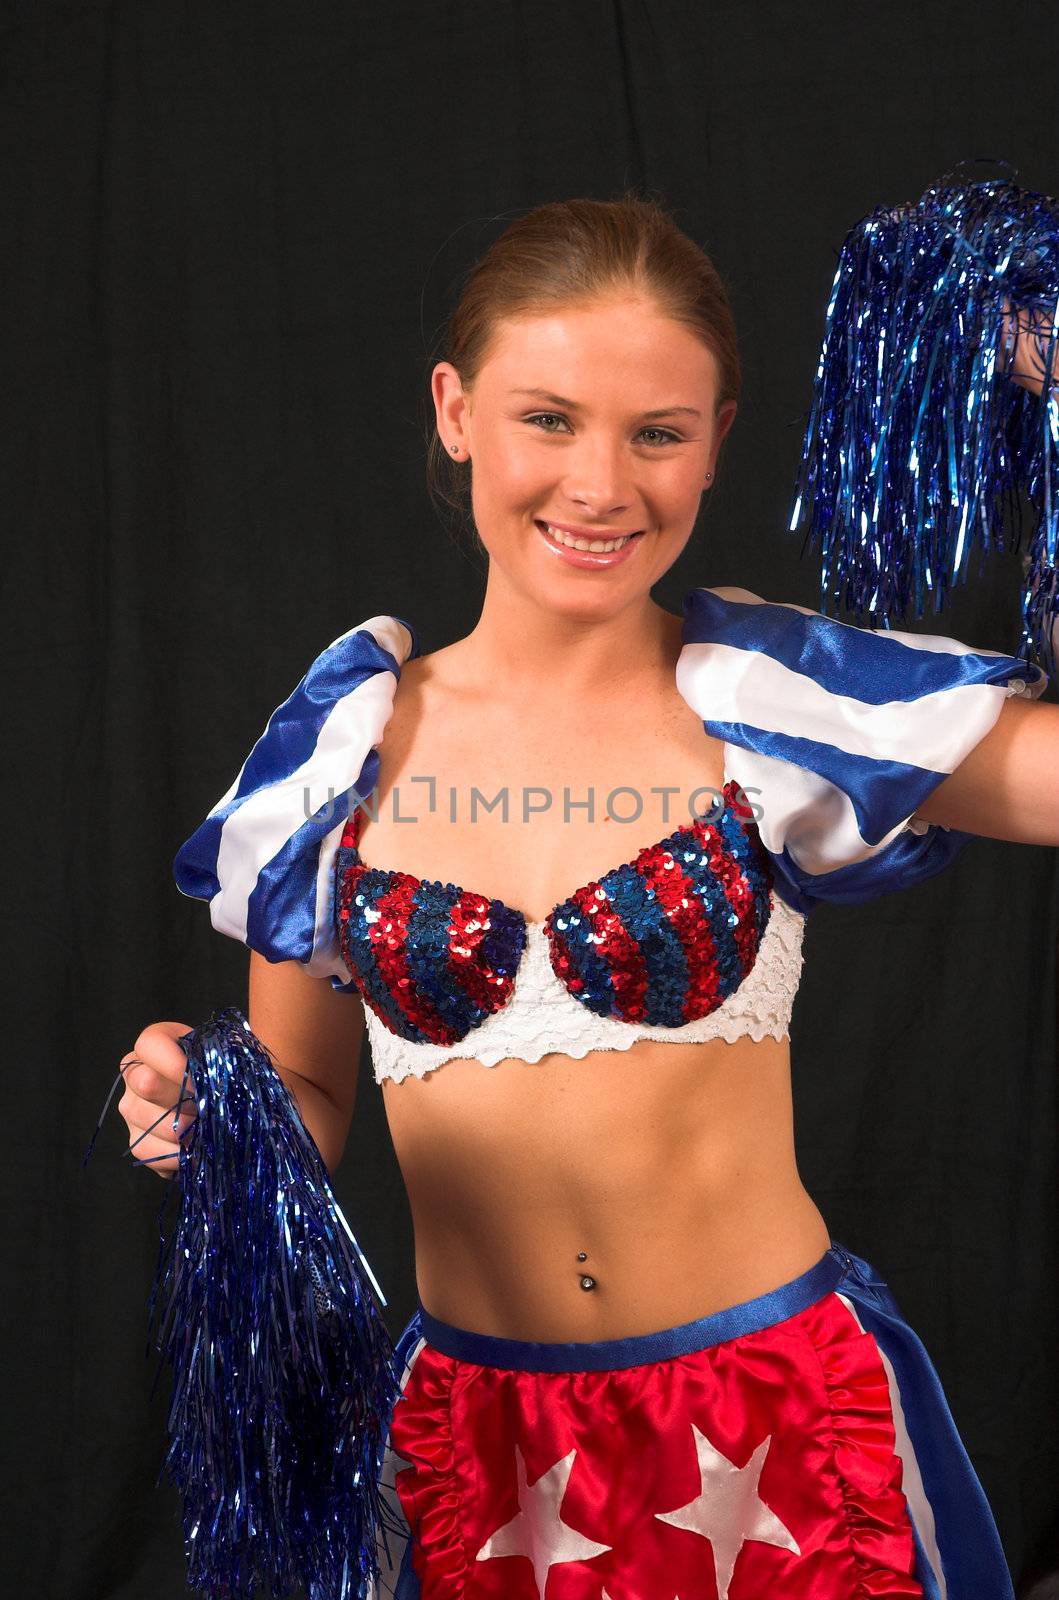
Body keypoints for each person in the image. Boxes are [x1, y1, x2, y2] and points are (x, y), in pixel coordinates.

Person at [116, 195, 1059, 1600]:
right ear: (455, 412)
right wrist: (199, 1110)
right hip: (484, 1457)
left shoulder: (772, 701)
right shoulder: (343, 745)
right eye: (547, 419)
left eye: (657, 433)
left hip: (775, 1425)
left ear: (718, 439)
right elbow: (307, 1101)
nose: (601, 485)